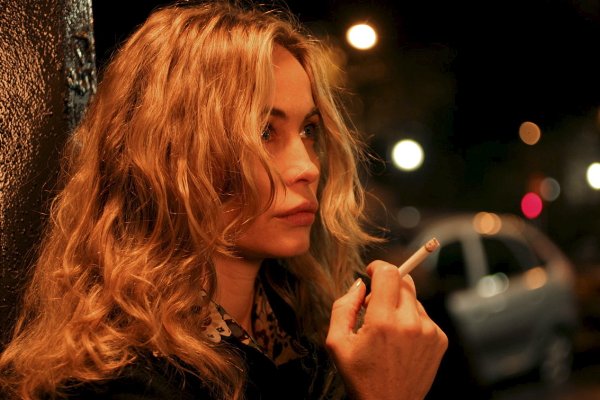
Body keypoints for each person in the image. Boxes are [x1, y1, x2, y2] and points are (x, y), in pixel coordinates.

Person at [0, 1, 447, 399]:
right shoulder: (120, 381)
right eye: (264, 131)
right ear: (169, 155)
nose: (308, 167)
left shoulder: (308, 335)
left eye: (309, 130)